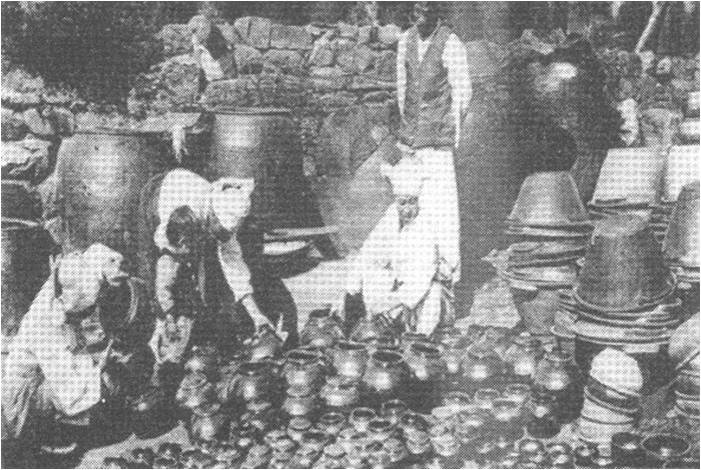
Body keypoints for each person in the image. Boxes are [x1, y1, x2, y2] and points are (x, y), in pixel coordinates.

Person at [140, 168, 290, 369]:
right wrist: (164, 313)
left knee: (201, 272)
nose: (220, 234)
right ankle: (157, 339)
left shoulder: (223, 215)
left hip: (190, 223)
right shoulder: (183, 212)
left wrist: (257, 315)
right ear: (212, 213)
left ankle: (195, 332)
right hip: (158, 195)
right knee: (163, 273)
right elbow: (165, 256)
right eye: (217, 227)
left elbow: (234, 266)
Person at [1, 244, 130, 454]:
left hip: (44, 378)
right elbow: (68, 388)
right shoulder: (45, 328)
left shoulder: (62, 298)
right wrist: (99, 370)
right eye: (86, 310)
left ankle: (62, 426)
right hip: (24, 400)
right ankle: (47, 436)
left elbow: (100, 258)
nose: (87, 314)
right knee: (90, 382)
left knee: (90, 369)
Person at [395, 1, 469, 293]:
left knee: (441, 209)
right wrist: (408, 129)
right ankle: (412, 275)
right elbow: (402, 87)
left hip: (437, 143)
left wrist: (448, 128)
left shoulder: (450, 43)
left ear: (437, 13)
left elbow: (463, 92)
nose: (420, 18)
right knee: (411, 207)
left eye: (426, 12)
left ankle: (445, 276)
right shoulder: (405, 41)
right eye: (416, 11)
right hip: (412, 140)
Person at [342, 158, 455, 336]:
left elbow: (423, 277)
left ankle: (418, 337)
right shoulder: (389, 221)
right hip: (396, 290)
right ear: (396, 203)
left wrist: (392, 302)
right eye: (403, 203)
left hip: (418, 295)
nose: (408, 209)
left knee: (433, 292)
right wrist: (351, 288)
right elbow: (367, 254)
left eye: (412, 202)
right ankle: (378, 326)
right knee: (373, 274)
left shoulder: (426, 227)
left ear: (418, 201)